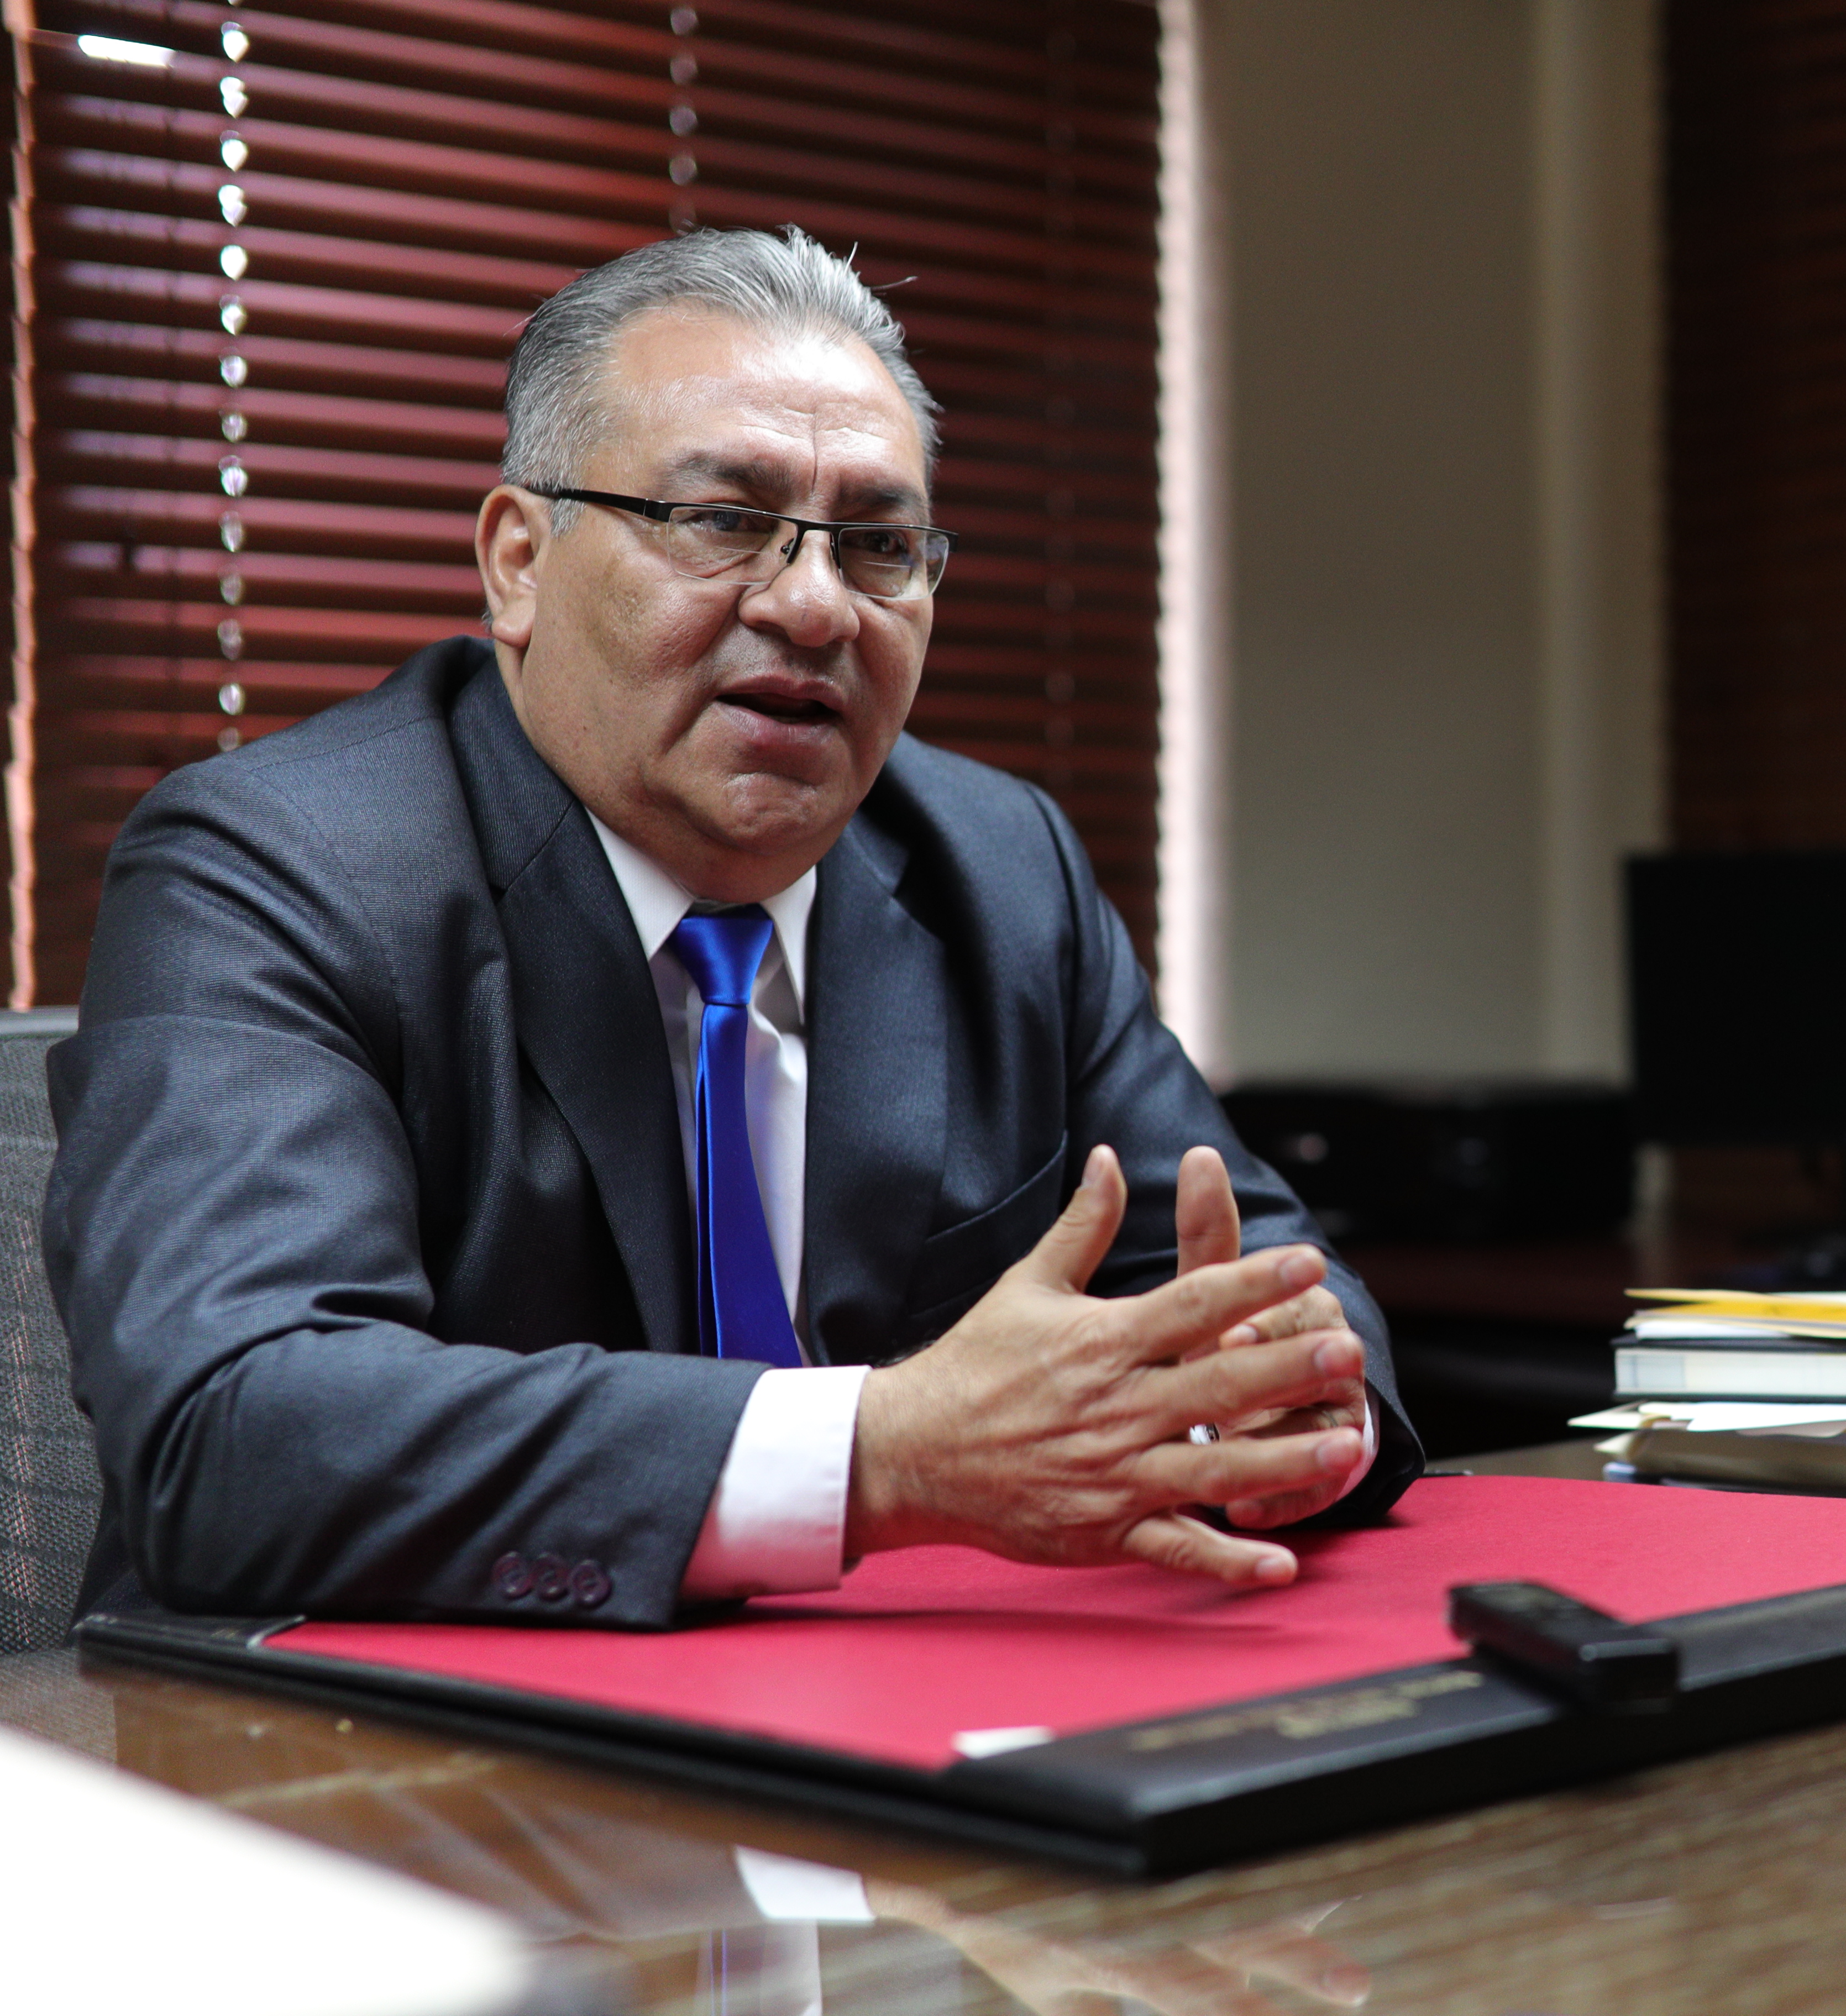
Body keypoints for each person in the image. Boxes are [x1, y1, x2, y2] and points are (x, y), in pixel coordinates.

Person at [45, 227, 1422, 1629]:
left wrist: (1259, 1419)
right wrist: (880, 1453)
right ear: (519, 563)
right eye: (724, 521)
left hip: (902, 1732)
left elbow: (1275, 1290)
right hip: (378, 1765)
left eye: (879, 545)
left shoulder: (1002, 870)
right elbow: (231, 1432)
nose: (815, 604)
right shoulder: (275, 866)